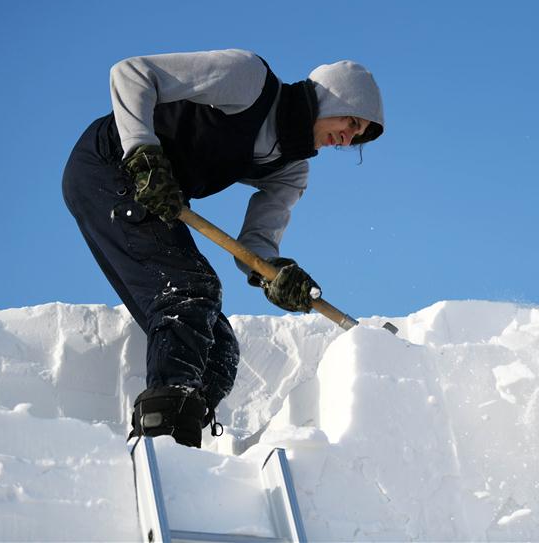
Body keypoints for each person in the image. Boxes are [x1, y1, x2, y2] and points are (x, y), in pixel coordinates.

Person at [62, 49, 384, 448]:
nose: (349, 137)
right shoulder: (247, 79)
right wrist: (144, 154)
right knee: (189, 292)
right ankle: (162, 434)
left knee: (217, 348)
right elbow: (130, 73)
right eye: (350, 121)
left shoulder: (292, 171)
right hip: (110, 164)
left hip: (156, 195)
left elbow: (256, 245)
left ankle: (183, 440)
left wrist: (276, 274)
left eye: (359, 135)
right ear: (331, 99)